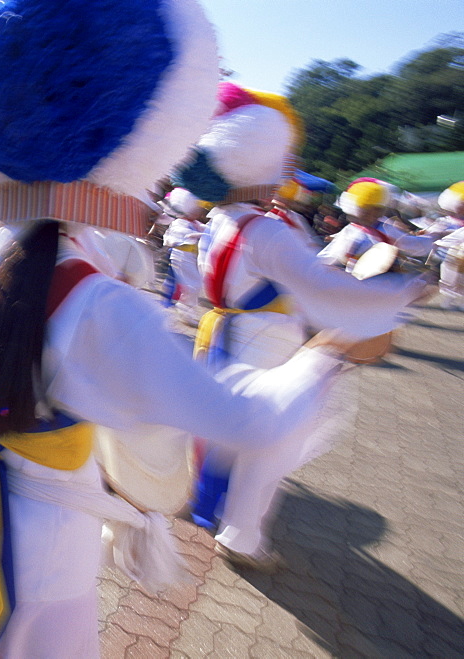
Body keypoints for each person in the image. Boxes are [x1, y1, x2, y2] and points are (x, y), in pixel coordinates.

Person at [0, 3, 361, 656]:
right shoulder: (102, 304)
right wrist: (326, 353)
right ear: (137, 141)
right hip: (51, 540)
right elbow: (247, 420)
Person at [173, 84, 428, 569]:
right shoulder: (265, 229)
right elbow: (321, 285)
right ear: (255, 161)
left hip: (222, 333)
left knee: (216, 433)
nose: (287, 167)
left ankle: (200, 503)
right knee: (269, 445)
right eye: (281, 157)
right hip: (264, 343)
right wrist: (401, 293)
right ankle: (241, 535)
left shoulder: (220, 219)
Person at [318, 178, 434, 272]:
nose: (373, 215)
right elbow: (328, 258)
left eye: (377, 210)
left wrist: (433, 238)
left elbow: (415, 246)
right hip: (354, 282)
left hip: (380, 282)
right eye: (367, 211)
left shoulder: (385, 228)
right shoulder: (351, 230)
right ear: (354, 209)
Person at [160, 187, 207, 324]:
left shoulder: (196, 223)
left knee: (195, 285)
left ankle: (186, 310)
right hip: (181, 256)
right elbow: (183, 236)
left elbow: (207, 230)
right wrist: (201, 235)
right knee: (193, 285)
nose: (199, 212)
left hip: (191, 257)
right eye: (196, 209)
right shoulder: (179, 222)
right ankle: (185, 310)